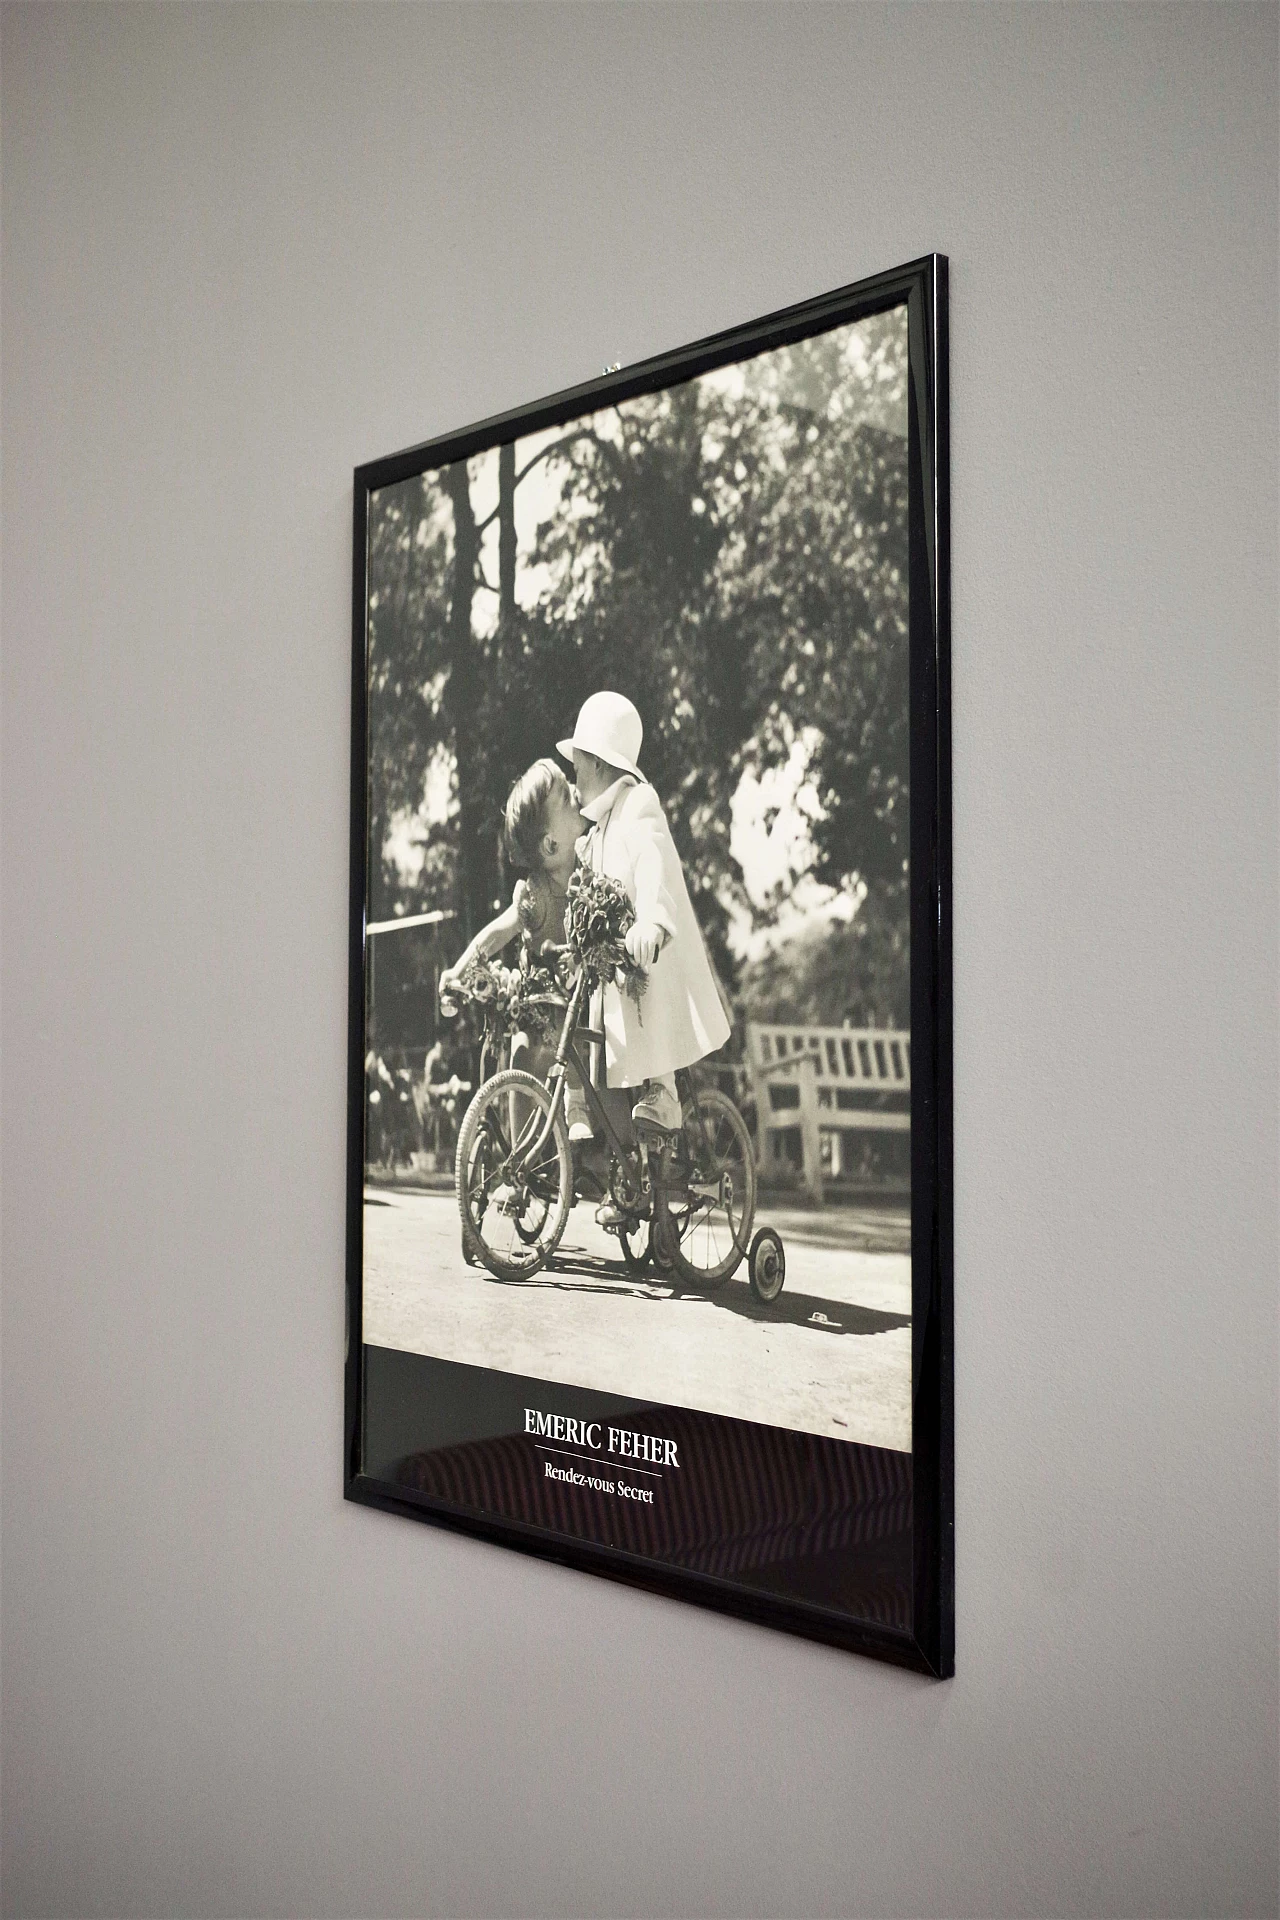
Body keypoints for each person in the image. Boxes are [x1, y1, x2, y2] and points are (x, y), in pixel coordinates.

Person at [558, 691, 731, 1152]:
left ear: (597, 763)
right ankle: (623, 1169)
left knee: (648, 1015)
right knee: (602, 1044)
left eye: (577, 767)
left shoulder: (638, 804)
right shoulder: (597, 831)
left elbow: (654, 861)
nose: (574, 780)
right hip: (617, 967)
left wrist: (652, 920)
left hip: (648, 953)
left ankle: (668, 1092)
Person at [438, 757, 593, 1143]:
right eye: (566, 795)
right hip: (537, 1000)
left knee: (572, 1036)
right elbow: (497, 932)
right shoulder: (535, 893)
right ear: (551, 843)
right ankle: (520, 1161)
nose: (576, 790)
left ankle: (577, 1104)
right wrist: (459, 972)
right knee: (520, 1056)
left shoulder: (593, 866)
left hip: (578, 1000)